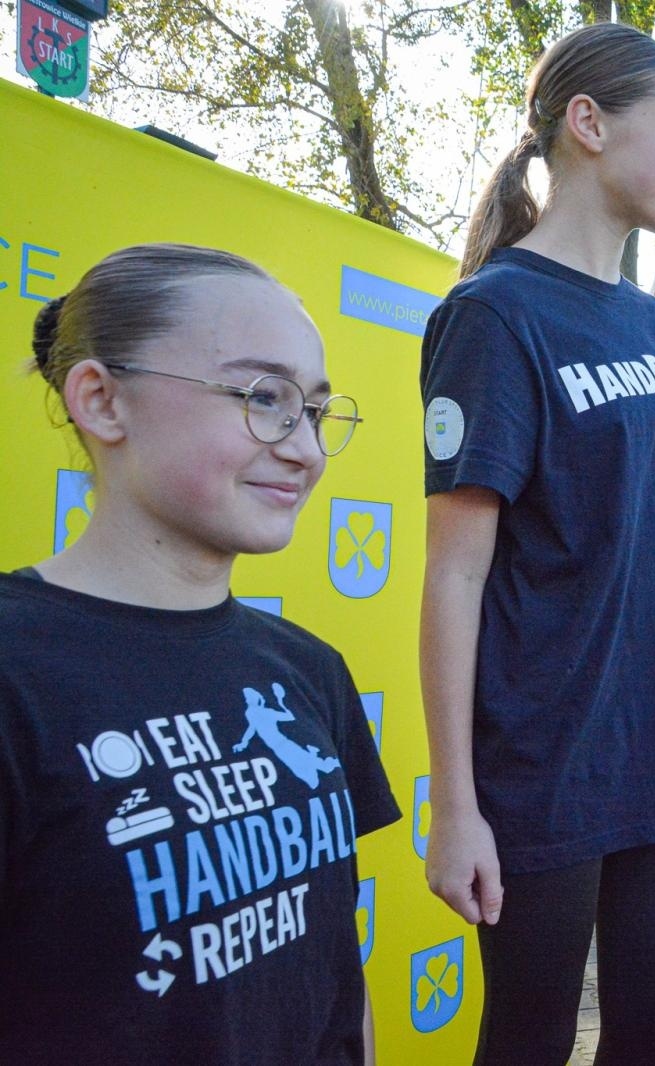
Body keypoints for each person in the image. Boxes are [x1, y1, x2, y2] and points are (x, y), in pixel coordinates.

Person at [417, 24, 655, 1066]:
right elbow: (455, 572)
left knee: (650, 1033)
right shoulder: (492, 315)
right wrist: (456, 806)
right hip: (545, 765)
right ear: (588, 124)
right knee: (528, 1038)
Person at [1, 244, 399, 1062]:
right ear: (103, 401)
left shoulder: (310, 672)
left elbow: (331, 967)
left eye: (317, 412)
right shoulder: (17, 673)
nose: (306, 450)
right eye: (264, 397)